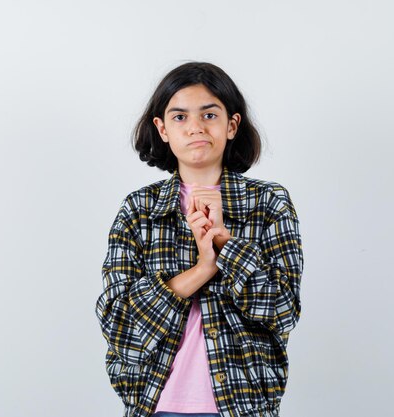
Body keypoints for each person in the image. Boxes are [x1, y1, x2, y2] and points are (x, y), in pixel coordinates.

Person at [95, 61, 304, 417]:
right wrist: (203, 269)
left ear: (231, 124)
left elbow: (283, 310)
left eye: (209, 115)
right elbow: (120, 327)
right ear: (161, 129)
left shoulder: (269, 203)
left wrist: (227, 246)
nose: (195, 127)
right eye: (179, 117)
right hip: (154, 405)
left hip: (244, 406)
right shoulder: (139, 209)